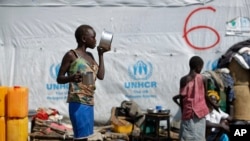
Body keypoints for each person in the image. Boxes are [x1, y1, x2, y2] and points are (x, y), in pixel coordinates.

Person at [56, 24, 107, 141]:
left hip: (89, 102)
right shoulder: (71, 55)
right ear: (84, 39)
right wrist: (71, 78)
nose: (95, 40)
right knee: (81, 137)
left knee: (87, 137)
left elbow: (101, 75)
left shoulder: (90, 56)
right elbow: (59, 78)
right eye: (93, 37)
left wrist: (101, 55)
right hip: (77, 102)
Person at [178, 56, 210, 141]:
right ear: (198, 67)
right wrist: (214, 105)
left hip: (188, 113)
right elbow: (206, 96)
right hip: (200, 113)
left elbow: (181, 99)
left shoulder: (183, 79)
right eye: (201, 67)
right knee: (199, 137)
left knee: (186, 136)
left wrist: (183, 112)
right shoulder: (203, 78)